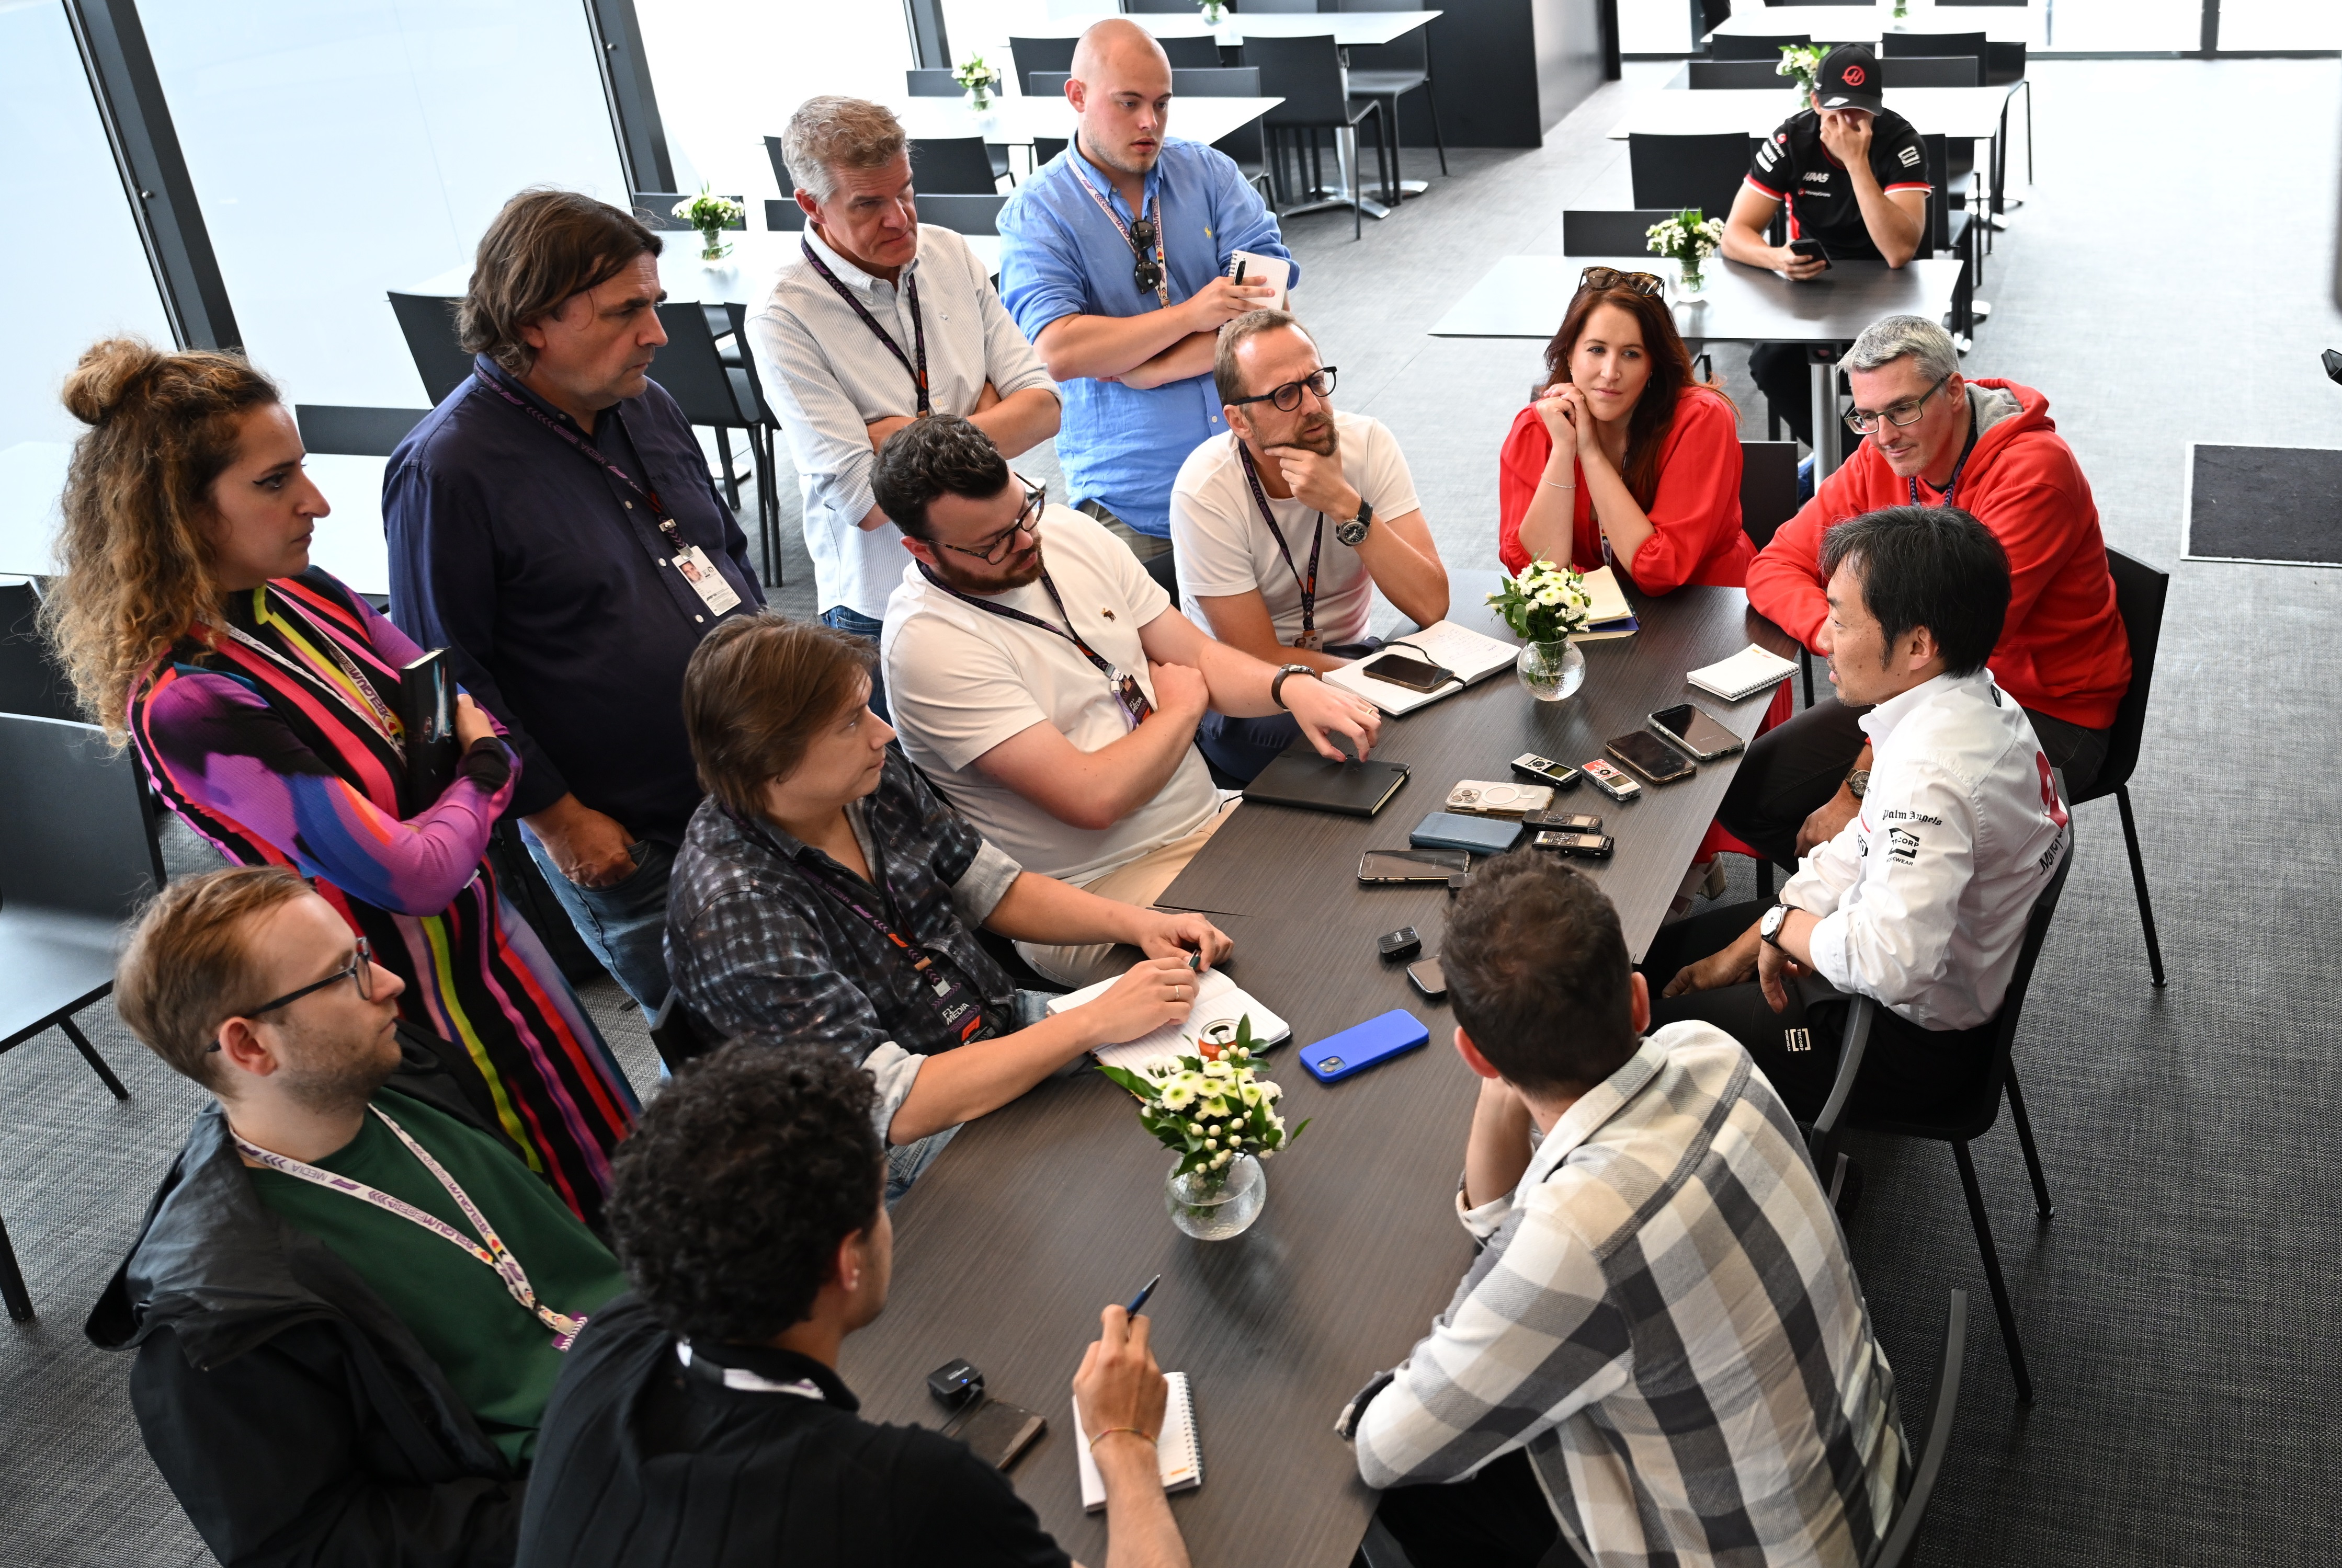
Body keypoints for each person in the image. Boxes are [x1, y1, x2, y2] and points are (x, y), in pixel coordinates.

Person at [42, 339, 634, 1227]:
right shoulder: (190, 703)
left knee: (627, 1186)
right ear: (181, 511)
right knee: (541, 1241)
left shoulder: (308, 594)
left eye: (302, 471)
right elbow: (414, 871)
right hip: (392, 1012)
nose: (315, 502)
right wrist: (474, 772)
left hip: (501, 956)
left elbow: (473, 717)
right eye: (274, 482)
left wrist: (468, 775)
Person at [1341, 852, 1903, 1568]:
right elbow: (1509, 1237)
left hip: (1766, 1553)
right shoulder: (1709, 1050)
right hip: (1868, 1488)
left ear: (1474, 1056)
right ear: (1639, 1000)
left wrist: (1502, 1064)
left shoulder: (1575, 1236)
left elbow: (1383, 1448)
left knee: (1414, 1502)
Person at [90, 866, 630, 1568]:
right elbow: (310, 1545)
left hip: (675, 1364)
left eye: (364, 953)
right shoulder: (219, 1314)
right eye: (346, 973)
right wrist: (591, 1508)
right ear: (250, 1044)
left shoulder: (409, 1073)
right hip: (576, 1507)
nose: (387, 983)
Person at [517, 1045, 1193, 1567]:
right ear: (848, 1260)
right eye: (880, 1201)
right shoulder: (901, 1491)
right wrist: (1123, 1441)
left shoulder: (608, 1344)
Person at [665, 612, 1233, 1199]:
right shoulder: (736, 910)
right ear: (766, 759)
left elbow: (991, 885)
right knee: (1146, 1164)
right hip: (902, 1140)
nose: (882, 733)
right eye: (850, 722)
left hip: (997, 1026)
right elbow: (890, 1104)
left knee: (1213, 1079)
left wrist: (1141, 922)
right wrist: (1092, 1020)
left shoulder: (863, 779)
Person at [385, 188, 765, 1013]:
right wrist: (558, 818)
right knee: (721, 1063)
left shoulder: (645, 404)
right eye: (626, 311)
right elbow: (447, 678)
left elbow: (724, 553)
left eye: (656, 306)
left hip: (754, 778)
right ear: (532, 322)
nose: (657, 335)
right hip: (630, 831)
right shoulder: (447, 470)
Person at [874, 416, 1381, 987]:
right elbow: (1094, 799)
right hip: (1096, 890)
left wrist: (1287, 685)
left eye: (1023, 510)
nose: (1024, 541)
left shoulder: (1062, 531)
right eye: (991, 543)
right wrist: (1182, 709)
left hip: (1208, 820)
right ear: (920, 548)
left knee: (1364, 877)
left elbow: (1197, 657)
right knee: (1298, 963)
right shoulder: (927, 645)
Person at [1649, 506, 2071, 1125]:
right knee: (1653, 961)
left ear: (1918, 645)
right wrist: (1758, 935)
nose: (1823, 636)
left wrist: (1779, 931)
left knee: (1638, 1037)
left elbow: (1892, 961)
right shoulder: (1969, 696)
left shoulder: (1932, 777)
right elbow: (1857, 847)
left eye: (1840, 620)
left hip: (1902, 1039)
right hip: (1908, 971)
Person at [1722, 315, 2128, 871]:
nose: (1884, 434)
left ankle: (1883, 926)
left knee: (1883, 832)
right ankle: (1855, 920)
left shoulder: (2032, 475)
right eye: (1866, 416)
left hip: (2042, 709)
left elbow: (1954, 657)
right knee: (1745, 797)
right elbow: (1775, 563)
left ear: (1954, 392)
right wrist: (1835, 635)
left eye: (1902, 409)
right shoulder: (1881, 455)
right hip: (1903, 680)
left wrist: (1854, 790)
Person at [751, 95, 1061, 704]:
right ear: (811, 206)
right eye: (868, 203)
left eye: (906, 192)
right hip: (882, 602)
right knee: (914, 791)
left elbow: (1045, 407)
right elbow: (861, 499)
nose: (900, 219)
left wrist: (899, 436)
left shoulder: (949, 253)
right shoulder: (783, 316)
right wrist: (985, 411)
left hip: (997, 560)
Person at [998, 17, 1292, 558]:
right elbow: (1058, 351)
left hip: (1255, 469)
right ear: (1077, 96)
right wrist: (1192, 315)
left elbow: (1269, 308)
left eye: (1161, 104)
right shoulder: (1038, 212)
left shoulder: (1208, 172)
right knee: (1155, 645)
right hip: (1134, 498)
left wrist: (1150, 367)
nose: (1148, 123)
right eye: (1128, 103)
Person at [1169, 309, 1449, 780]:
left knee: (1447, 709)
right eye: (1285, 395)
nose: (1313, 406)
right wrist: (1377, 684)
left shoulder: (1369, 444)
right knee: (1382, 740)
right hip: (1250, 695)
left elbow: (1431, 603)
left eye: (1317, 381)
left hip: (1349, 655)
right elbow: (1257, 657)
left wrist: (1345, 505)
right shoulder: (1205, 491)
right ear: (1238, 420)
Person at [1718, 43, 1932, 448]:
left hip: (1891, 290)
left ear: (1879, 106)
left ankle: (1861, 467)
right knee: (1770, 366)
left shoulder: (1902, 142)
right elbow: (1735, 234)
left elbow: (1899, 251)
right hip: (1817, 289)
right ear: (1815, 102)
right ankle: (1851, 465)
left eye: (1862, 109)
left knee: (1896, 378)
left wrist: (1856, 163)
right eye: (1837, 109)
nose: (1850, 121)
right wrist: (1776, 258)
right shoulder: (1790, 139)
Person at [1496, 267, 1753, 590]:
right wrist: (1564, 451)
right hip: (1594, 614)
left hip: (1705, 610)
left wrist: (1590, 452)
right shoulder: (1537, 427)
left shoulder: (1701, 418)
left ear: (1652, 366)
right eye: (1597, 350)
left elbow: (1664, 570)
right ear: (1570, 354)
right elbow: (1535, 574)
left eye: (1631, 354)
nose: (1610, 372)